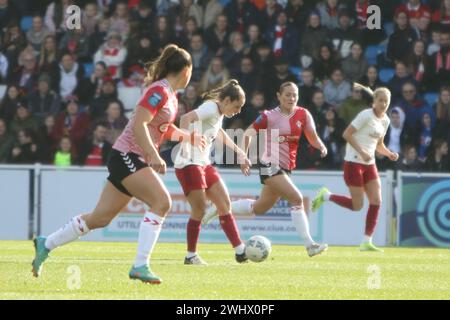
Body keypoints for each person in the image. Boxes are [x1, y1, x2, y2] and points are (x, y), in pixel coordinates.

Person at [32, 44, 205, 284]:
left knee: (100, 218)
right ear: (186, 70)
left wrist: (188, 137)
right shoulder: (159, 91)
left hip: (128, 157)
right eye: (192, 70)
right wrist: (152, 155)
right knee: (162, 202)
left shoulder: (171, 96)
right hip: (128, 155)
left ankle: (46, 243)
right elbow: (139, 124)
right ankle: (140, 265)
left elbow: (161, 128)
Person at [202, 82, 329, 257]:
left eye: (294, 95)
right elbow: (248, 133)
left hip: (285, 167)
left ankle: (219, 208)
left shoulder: (303, 114)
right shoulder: (269, 116)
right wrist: (243, 157)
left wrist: (321, 147)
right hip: (268, 165)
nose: (291, 98)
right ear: (279, 96)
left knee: (259, 208)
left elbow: (312, 136)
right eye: (287, 95)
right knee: (297, 199)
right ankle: (310, 245)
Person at [311, 84, 399, 252]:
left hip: (370, 164)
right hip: (353, 163)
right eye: (380, 100)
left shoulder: (386, 120)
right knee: (357, 206)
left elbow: (379, 144)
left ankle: (366, 241)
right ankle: (326, 196)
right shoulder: (365, 115)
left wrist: (389, 154)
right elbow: (347, 134)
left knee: (376, 201)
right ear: (374, 101)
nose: (383, 104)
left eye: (386, 101)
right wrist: (362, 152)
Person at [174, 79, 250, 265]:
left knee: (224, 203)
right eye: (237, 106)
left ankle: (240, 251)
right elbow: (185, 119)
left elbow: (218, 132)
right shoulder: (210, 108)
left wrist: (240, 152)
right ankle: (191, 255)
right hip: (189, 163)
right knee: (199, 210)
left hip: (203, 163)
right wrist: (185, 142)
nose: (238, 111)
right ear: (226, 101)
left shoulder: (219, 112)